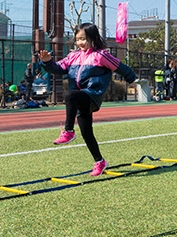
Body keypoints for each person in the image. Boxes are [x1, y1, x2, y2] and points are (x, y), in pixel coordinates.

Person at [40, 23, 138, 176]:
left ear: (92, 38)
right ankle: (100, 162)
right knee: (86, 132)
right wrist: (47, 62)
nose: (81, 42)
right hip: (80, 100)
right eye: (78, 39)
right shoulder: (73, 56)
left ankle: (69, 131)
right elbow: (58, 69)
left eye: (84, 39)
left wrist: (134, 82)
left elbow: (121, 68)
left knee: (69, 94)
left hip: (92, 94)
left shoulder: (101, 55)